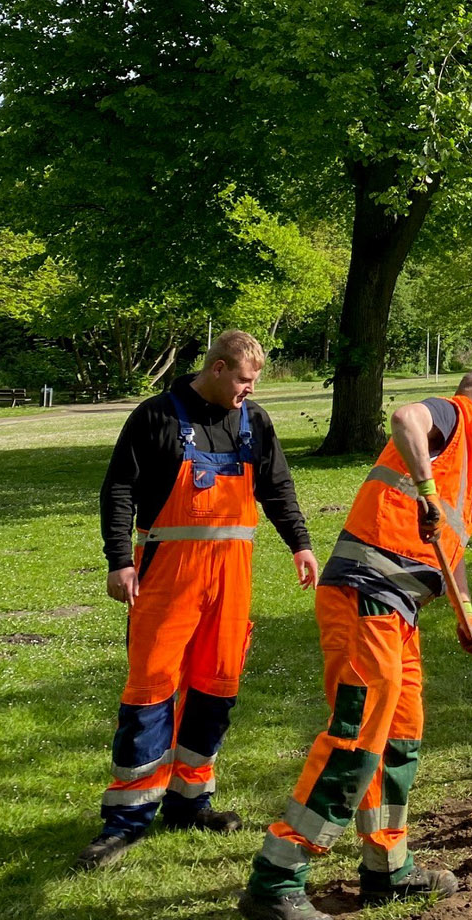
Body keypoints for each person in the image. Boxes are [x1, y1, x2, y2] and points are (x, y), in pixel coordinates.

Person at [238, 368, 472, 920]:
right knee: (358, 733)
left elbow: (446, 549)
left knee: (401, 734)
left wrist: (467, 611)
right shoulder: (456, 416)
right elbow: (406, 417)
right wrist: (429, 491)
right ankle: (277, 877)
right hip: (366, 596)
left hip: (400, 612)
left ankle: (387, 869)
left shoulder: (465, 468)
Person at [77, 330, 319, 871]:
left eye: (252, 383)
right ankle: (127, 819)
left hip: (231, 580)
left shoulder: (254, 422)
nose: (247, 392)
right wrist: (120, 559)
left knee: (216, 685)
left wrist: (300, 544)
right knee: (150, 691)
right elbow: (118, 488)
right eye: (242, 380)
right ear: (215, 368)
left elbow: (277, 487)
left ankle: (190, 801)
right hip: (167, 576)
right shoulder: (155, 416)